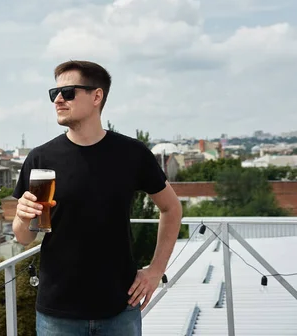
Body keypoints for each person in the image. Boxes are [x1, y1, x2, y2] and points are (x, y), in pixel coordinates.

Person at [12, 60, 183, 336]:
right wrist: (22, 216)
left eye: (68, 92)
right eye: (53, 93)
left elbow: (171, 209)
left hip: (120, 308)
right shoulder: (41, 158)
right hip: (58, 313)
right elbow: (24, 237)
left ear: (96, 96)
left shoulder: (132, 153)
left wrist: (155, 271)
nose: (57, 99)